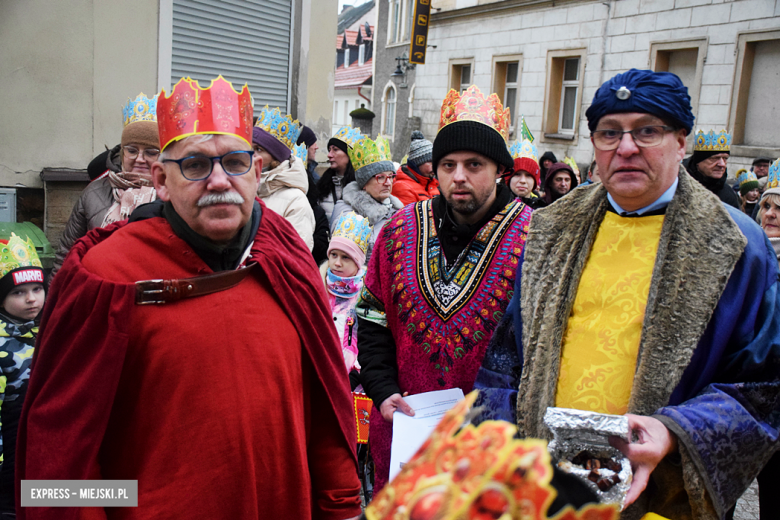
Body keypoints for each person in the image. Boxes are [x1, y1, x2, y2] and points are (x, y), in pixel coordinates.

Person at [17, 76, 361, 520]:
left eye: (236, 162)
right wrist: (144, 498)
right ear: (161, 179)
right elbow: (58, 466)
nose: (220, 180)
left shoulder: (286, 255)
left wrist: (341, 505)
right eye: (196, 165)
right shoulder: (105, 277)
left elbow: (324, 402)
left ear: (257, 172)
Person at [474, 68, 780, 520]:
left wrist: (677, 431)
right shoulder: (551, 228)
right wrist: (501, 447)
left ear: (681, 141)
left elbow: (765, 385)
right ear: (594, 145)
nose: (627, 147)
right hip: (546, 490)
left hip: (662, 495)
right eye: (610, 133)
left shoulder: (737, 243)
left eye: (648, 131)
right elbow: (505, 361)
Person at [356, 85, 534, 492]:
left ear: (500, 169)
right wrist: (381, 389)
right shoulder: (400, 230)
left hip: (494, 448)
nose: (459, 177)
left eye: (474, 164)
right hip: (405, 433)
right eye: (448, 164)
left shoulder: (536, 238)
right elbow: (371, 317)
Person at [52, 93, 159, 279]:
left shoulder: (173, 195)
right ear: (122, 152)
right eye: (132, 150)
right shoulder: (93, 192)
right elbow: (66, 256)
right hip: (98, 293)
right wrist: (53, 302)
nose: (140, 159)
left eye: (151, 152)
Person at [0, 234, 45, 517]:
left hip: (43, 447)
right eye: (18, 292)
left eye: (38, 288)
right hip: (10, 453)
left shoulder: (50, 331)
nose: (31, 299)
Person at [253, 106, 316, 251]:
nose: (251, 155)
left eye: (259, 149)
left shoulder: (296, 201)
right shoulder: (243, 189)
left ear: (275, 157)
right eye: (249, 148)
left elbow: (296, 254)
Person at [330, 135, 403, 259]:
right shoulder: (346, 212)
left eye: (390, 176)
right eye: (380, 177)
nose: (388, 183)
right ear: (364, 183)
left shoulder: (398, 211)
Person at [320, 212, 371, 390]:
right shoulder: (318, 287)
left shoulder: (367, 294)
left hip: (354, 381)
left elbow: (370, 340)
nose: (337, 263)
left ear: (357, 262)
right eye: (333, 255)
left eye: (345, 257)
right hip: (320, 374)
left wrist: (357, 372)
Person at [685, 129, 740, 209]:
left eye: (725, 159)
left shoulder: (728, 194)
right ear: (698, 161)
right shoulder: (676, 184)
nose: (722, 164)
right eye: (715, 158)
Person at [318, 126, 362, 222]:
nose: (329, 155)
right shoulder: (322, 185)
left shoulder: (362, 187)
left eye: (335, 149)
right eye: (329, 150)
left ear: (349, 154)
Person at [392, 130, 439, 205]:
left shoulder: (432, 184)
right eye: (430, 162)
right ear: (418, 163)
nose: (435, 166)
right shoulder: (402, 188)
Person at [506, 139, 546, 209]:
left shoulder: (541, 209)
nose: (523, 181)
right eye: (517, 174)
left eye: (528, 175)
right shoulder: (495, 206)